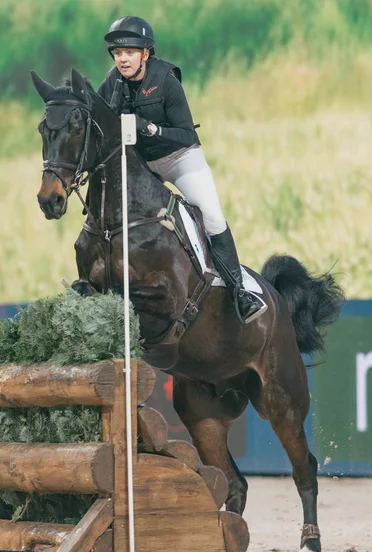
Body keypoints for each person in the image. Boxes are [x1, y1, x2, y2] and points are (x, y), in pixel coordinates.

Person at [98, 16, 267, 324]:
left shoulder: (166, 81)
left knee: (211, 215)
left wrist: (149, 128)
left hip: (179, 158)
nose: (122, 58)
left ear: (145, 54)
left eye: (129, 52)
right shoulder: (112, 82)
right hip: (142, 166)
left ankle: (239, 292)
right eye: (118, 53)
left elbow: (186, 133)